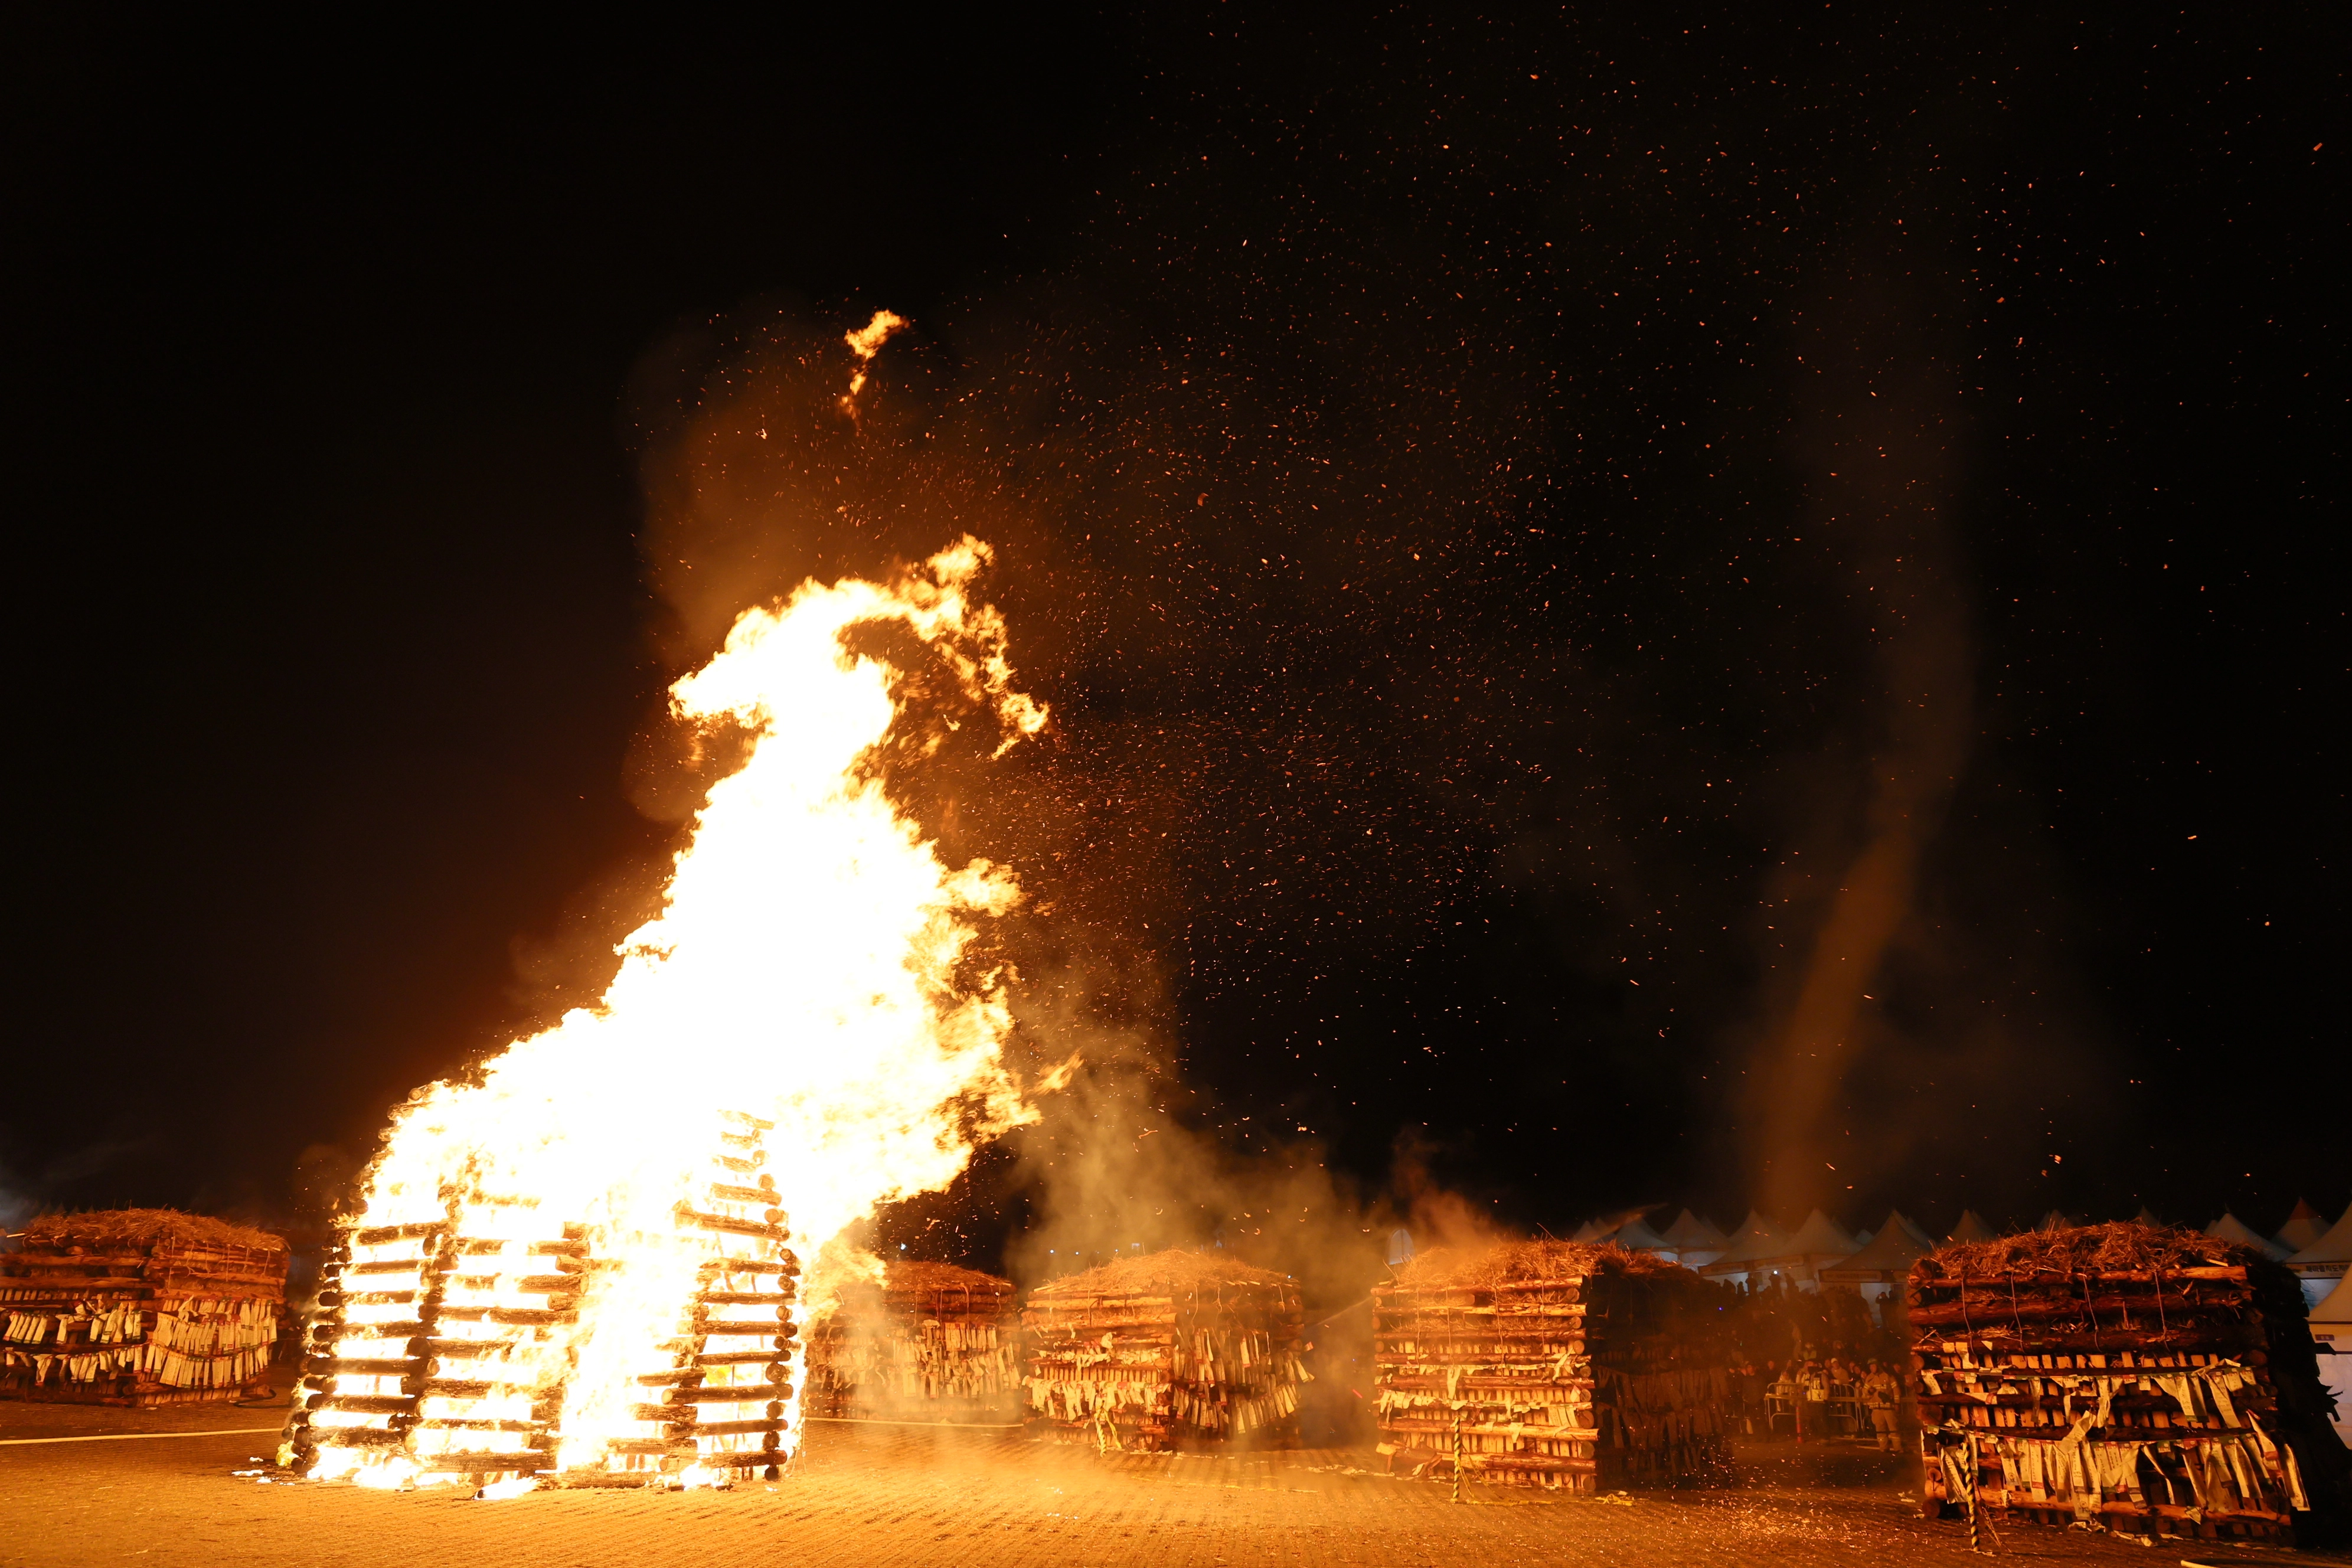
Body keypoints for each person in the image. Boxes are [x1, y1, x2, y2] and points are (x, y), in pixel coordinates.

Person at [1860, 1359, 1903, 1453]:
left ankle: (1898, 1448)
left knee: (1894, 1429)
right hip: (1877, 1410)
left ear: (1878, 1366)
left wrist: (1897, 1403)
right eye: (1870, 1367)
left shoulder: (1888, 1376)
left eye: (1873, 1366)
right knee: (1880, 1430)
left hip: (1889, 1408)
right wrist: (1868, 1391)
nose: (1871, 1368)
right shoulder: (1869, 1378)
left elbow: (1896, 1390)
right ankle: (1884, 1448)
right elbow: (1864, 1390)